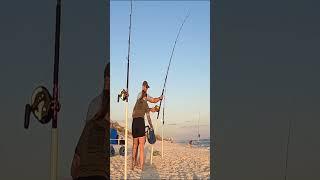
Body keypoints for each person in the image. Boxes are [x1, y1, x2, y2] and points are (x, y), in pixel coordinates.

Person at [71, 62, 110, 180]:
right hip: (99, 172)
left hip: (83, 173)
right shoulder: (98, 105)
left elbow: (82, 144)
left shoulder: (94, 104)